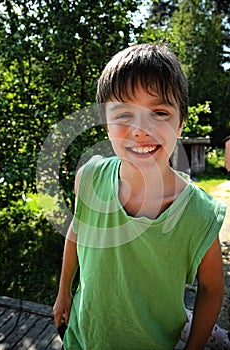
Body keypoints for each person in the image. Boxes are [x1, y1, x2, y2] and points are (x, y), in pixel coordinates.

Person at [53, 43, 227, 350]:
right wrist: (63, 291)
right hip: (81, 337)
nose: (140, 130)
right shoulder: (90, 177)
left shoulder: (199, 214)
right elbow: (76, 233)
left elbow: (212, 288)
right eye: (123, 114)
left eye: (159, 112)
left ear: (181, 122)